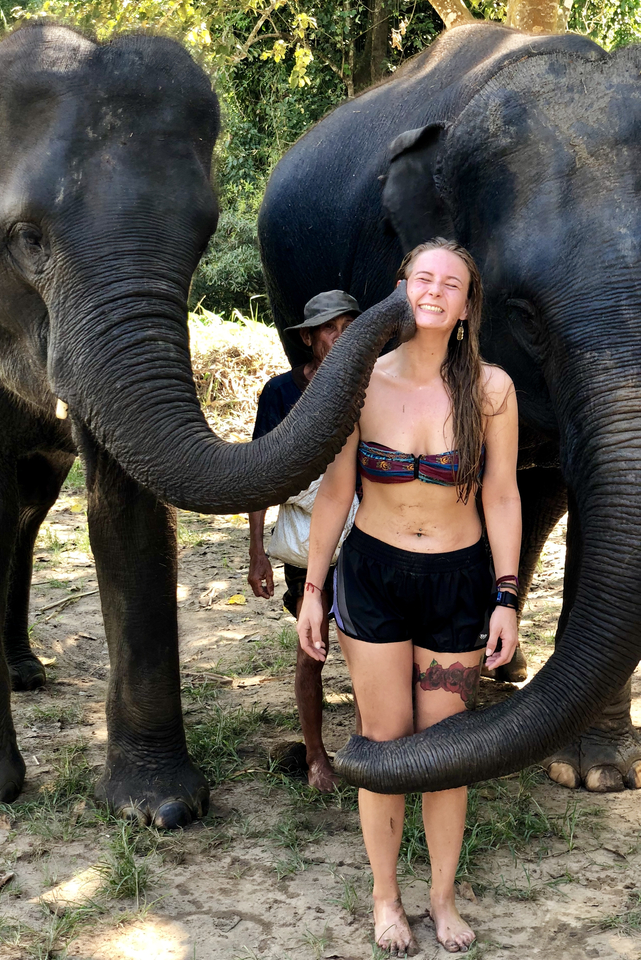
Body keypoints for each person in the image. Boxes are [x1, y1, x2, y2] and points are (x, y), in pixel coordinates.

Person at [297, 239, 521, 954]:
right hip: (374, 577)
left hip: (458, 583)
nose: (434, 291)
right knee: (384, 742)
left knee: (445, 750)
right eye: (421, 278)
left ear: (465, 306)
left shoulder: (492, 391)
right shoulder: (359, 380)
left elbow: (503, 496)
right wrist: (313, 589)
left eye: (450, 283)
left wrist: (508, 596)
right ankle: (386, 898)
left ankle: (443, 897)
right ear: (401, 290)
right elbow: (335, 492)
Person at [248, 290, 361, 792]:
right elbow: (260, 476)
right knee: (311, 648)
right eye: (329, 329)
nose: (339, 338)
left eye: (348, 327)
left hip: (365, 539)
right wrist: (256, 551)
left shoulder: (372, 386)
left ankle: (366, 751)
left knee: (369, 650)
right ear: (309, 338)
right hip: (305, 545)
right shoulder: (280, 393)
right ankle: (316, 756)